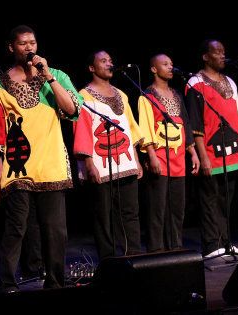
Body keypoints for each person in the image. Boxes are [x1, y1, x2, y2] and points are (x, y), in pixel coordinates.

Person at [0, 25, 82, 294]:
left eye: (33, 42)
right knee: (16, 229)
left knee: (55, 231)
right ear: (11, 48)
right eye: (23, 43)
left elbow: (72, 109)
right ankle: (7, 285)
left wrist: (48, 76)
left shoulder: (57, 75)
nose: (29, 48)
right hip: (17, 167)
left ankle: (55, 284)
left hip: (51, 164)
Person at [73, 50, 144, 261]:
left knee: (130, 213)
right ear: (91, 68)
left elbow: (129, 128)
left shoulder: (122, 95)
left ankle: (134, 256)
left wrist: (137, 159)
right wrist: (88, 163)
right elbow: (82, 130)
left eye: (110, 60)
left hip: (126, 161)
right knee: (104, 216)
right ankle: (109, 261)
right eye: (103, 61)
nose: (109, 64)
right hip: (99, 163)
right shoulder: (83, 95)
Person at [186, 40, 238, 257]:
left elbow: (237, 119)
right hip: (210, 152)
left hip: (232, 152)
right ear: (205, 56)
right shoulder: (195, 82)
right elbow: (195, 124)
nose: (223, 55)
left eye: (224, 51)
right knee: (210, 200)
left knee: (226, 200)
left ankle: (227, 242)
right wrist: (203, 157)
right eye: (217, 52)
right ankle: (212, 245)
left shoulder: (231, 82)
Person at [138, 53, 200, 252]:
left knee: (177, 207)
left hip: (178, 157)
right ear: (154, 69)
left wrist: (193, 152)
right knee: (158, 209)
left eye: (171, 64)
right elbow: (145, 127)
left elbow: (186, 125)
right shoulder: (147, 96)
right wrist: (151, 155)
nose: (170, 67)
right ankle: (156, 250)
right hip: (160, 157)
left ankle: (175, 247)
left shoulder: (176, 94)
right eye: (165, 64)